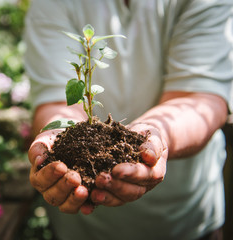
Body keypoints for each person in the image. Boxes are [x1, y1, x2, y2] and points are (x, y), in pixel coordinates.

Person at [23, 0, 233, 239]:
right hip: (82, 227)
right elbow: (58, 101)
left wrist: (152, 134)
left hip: (185, 221)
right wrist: (58, 133)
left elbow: (199, 98)